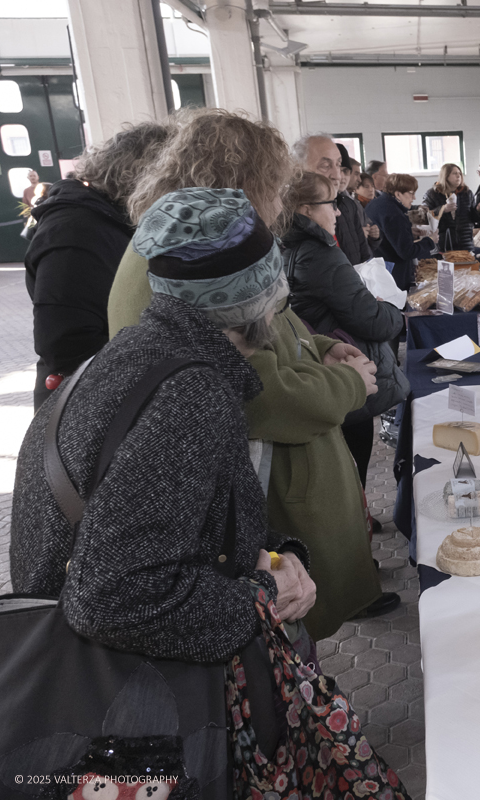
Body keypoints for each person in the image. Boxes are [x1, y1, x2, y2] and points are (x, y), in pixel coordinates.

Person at [10, 188, 409, 794]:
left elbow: (177, 510)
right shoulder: (191, 395)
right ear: (263, 303)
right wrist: (263, 593)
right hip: (133, 708)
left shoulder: (138, 351)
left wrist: (273, 548)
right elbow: (111, 599)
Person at [109, 110, 401, 633]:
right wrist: (349, 384)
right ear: (244, 182)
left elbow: (273, 320)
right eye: (275, 185)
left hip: (282, 464)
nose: (280, 202)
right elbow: (253, 388)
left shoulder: (195, 238)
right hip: (267, 476)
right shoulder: (188, 255)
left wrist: (321, 346)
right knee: (283, 628)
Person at [25, 121, 173, 408]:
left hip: (107, 390)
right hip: (87, 401)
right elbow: (65, 343)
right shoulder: (75, 230)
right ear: (147, 177)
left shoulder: (107, 218)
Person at [282, 171, 409, 488]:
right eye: (331, 204)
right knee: (353, 463)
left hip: (321, 366)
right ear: (306, 210)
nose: (338, 212)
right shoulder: (320, 254)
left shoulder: (286, 245)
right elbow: (371, 320)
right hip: (343, 365)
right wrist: (394, 312)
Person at [294, 134, 372, 268]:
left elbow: (365, 257)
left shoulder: (347, 206)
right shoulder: (287, 217)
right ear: (298, 169)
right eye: (325, 166)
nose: (337, 176)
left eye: (338, 165)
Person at [367, 173, 437, 289]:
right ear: (398, 194)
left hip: (378, 270)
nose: (414, 198)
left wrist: (408, 233)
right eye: (411, 193)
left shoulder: (377, 203)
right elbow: (406, 252)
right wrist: (430, 240)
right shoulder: (394, 213)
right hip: (393, 276)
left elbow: (387, 235)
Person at [424, 163, 476, 251]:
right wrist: (442, 209)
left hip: (465, 242)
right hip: (442, 243)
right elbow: (424, 215)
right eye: (455, 173)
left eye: (460, 173)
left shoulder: (467, 193)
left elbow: (474, 219)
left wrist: (479, 210)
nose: (458, 176)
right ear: (446, 176)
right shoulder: (432, 193)